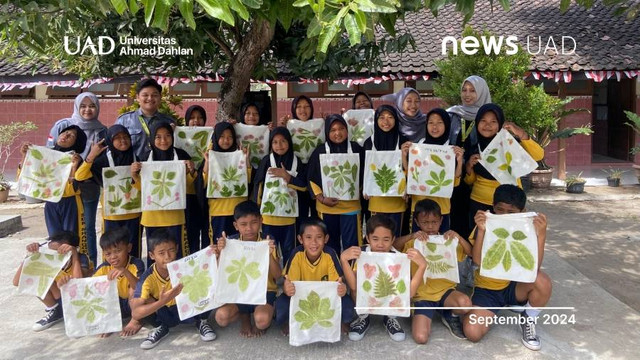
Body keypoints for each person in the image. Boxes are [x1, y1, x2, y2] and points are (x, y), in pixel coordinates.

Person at [463, 185, 552, 351]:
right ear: (493, 207)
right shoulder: (485, 224)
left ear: (522, 211)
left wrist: (542, 234)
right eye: (500, 210)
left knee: (543, 281)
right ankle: (490, 311)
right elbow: (477, 260)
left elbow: (534, 267)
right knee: (472, 332)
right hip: (487, 290)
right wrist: (482, 231)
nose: (504, 215)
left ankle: (528, 318)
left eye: (511, 212)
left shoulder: (528, 228)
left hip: (514, 286)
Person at [393, 199, 473, 343]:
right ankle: (424, 310)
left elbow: (470, 252)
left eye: (434, 222)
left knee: (465, 304)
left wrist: (459, 238)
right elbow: (393, 246)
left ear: (441, 220)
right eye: (425, 222)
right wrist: (411, 236)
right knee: (420, 338)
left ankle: (449, 314)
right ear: (417, 222)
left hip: (446, 291)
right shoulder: (413, 242)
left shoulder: (447, 240)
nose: (430, 226)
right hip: (421, 296)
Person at [340, 214, 427, 342]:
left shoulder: (398, 257)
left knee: (400, 287)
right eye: (375, 239)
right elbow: (353, 287)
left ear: (393, 240)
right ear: (368, 238)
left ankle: (390, 317)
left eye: (386, 239)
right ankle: (363, 317)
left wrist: (422, 266)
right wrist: (343, 259)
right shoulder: (362, 254)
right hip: (368, 296)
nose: (380, 244)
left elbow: (409, 293)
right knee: (357, 281)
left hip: (389, 298)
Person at [47, 92, 107, 267]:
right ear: (77, 107)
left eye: (92, 106)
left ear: (97, 108)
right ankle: (62, 266)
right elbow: (49, 155)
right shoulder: (64, 125)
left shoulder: (103, 130)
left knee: (87, 228)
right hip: (62, 191)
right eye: (83, 106)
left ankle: (89, 265)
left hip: (89, 187)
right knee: (62, 230)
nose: (87, 109)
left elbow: (103, 161)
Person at [132, 229, 216, 350]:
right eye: (161, 253)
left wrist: (214, 254)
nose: (167, 257)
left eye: (171, 250)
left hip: (190, 308)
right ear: (151, 255)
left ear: (177, 248)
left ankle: (202, 321)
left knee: (207, 282)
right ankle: (160, 327)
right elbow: (135, 312)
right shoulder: (147, 278)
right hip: (166, 312)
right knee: (141, 301)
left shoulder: (186, 264)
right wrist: (161, 302)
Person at [464, 104, 543, 231]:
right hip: (480, 202)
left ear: (500, 123)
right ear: (477, 122)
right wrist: (468, 166)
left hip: (510, 204)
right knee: (480, 243)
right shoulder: (472, 145)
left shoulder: (509, 143)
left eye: (493, 121)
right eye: (483, 121)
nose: (487, 125)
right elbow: (470, 181)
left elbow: (538, 155)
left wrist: (520, 133)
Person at [274, 218, 354, 334]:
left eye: (319, 237)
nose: (314, 242)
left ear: (326, 239)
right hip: (301, 297)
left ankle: (340, 322)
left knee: (347, 308)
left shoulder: (330, 254)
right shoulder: (297, 254)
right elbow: (288, 282)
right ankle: (288, 322)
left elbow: (338, 282)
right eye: (308, 237)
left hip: (325, 298)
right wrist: (287, 289)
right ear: (300, 239)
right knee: (281, 308)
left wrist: (342, 288)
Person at [131, 122, 195, 266]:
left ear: (172, 137)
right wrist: (135, 176)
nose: (163, 140)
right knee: (156, 256)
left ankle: (179, 284)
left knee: (177, 255)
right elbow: (144, 188)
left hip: (175, 216)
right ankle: (156, 285)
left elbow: (185, 186)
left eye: (167, 136)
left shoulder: (181, 155)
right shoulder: (144, 157)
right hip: (152, 218)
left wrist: (191, 172)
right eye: (158, 137)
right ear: (152, 138)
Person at [214, 201, 281, 338]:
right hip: (239, 292)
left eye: (254, 222)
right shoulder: (230, 242)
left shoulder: (267, 241)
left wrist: (269, 255)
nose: (249, 228)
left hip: (264, 291)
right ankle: (244, 316)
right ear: (235, 225)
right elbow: (218, 273)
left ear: (261, 221)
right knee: (221, 318)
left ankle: (268, 309)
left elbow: (277, 276)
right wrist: (220, 253)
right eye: (243, 224)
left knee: (261, 321)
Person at [75, 125, 143, 258]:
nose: (123, 140)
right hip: (111, 217)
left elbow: (144, 187)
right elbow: (79, 176)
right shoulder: (103, 161)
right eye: (117, 138)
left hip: (134, 215)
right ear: (110, 141)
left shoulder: (137, 159)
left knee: (133, 253)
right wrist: (92, 155)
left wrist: (136, 176)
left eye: (125, 137)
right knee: (111, 253)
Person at [20, 126, 88, 254]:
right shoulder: (45, 154)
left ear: (76, 143)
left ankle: (76, 267)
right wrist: (25, 155)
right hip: (51, 204)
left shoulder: (76, 159)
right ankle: (59, 269)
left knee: (72, 239)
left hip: (70, 203)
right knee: (55, 239)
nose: (66, 136)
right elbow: (27, 175)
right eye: (65, 132)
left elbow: (74, 187)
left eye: (71, 136)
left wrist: (73, 167)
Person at [307, 114, 365, 254]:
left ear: (347, 130)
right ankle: (334, 274)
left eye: (341, 128)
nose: (337, 133)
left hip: (351, 207)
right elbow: (311, 178)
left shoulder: (357, 149)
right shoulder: (319, 151)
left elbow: (366, 174)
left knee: (352, 245)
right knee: (329, 245)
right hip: (326, 208)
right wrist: (321, 198)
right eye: (332, 130)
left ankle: (351, 274)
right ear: (327, 133)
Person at [13, 231, 93, 332]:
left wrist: (74, 255)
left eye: (59, 252)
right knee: (39, 275)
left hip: (78, 299)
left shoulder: (81, 258)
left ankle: (62, 311)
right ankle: (56, 310)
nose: (54, 255)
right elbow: (17, 282)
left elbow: (78, 283)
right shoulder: (47, 256)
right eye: (52, 250)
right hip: (59, 296)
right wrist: (29, 257)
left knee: (54, 278)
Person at [401, 108, 464, 234]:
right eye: (431, 122)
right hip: (419, 209)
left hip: (442, 209)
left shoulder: (450, 149)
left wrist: (460, 161)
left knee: (439, 247)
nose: (435, 127)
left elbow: (455, 183)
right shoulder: (418, 146)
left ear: (446, 125)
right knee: (418, 244)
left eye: (439, 123)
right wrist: (403, 155)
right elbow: (410, 175)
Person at [252, 127, 307, 265]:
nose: (279, 145)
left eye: (283, 141)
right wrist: (257, 211)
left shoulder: (296, 162)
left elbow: (304, 186)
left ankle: (289, 277)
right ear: (270, 144)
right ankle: (270, 280)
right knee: (269, 250)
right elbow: (258, 186)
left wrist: (288, 177)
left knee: (290, 250)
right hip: (268, 218)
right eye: (275, 142)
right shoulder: (266, 161)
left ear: (289, 142)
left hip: (290, 220)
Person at [447, 75, 492, 240]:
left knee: (474, 223)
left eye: (473, 91)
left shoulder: (489, 117)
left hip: (478, 179)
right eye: (464, 90)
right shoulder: (452, 115)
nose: (467, 94)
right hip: (453, 178)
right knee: (453, 219)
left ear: (481, 92)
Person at [92, 227, 145, 337]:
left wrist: (125, 271)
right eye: (108, 254)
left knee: (133, 290)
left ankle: (136, 321)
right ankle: (109, 322)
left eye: (118, 251)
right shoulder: (103, 268)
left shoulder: (136, 264)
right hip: (116, 305)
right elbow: (90, 289)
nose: (113, 257)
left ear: (129, 248)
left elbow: (140, 288)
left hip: (133, 303)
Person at [362, 105, 407, 236]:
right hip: (377, 202)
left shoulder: (403, 141)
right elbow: (365, 169)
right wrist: (366, 187)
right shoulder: (369, 143)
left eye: (390, 117)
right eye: (381, 118)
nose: (386, 121)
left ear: (396, 120)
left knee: (395, 239)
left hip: (397, 202)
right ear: (376, 120)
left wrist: (407, 189)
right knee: (377, 238)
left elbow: (409, 169)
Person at [202, 122, 250, 241]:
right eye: (222, 137)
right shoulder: (210, 156)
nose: (226, 140)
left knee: (239, 247)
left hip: (239, 210)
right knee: (219, 247)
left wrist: (246, 159)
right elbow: (203, 183)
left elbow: (248, 180)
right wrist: (207, 162)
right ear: (216, 138)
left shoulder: (239, 155)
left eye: (230, 137)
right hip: (218, 211)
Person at [116, 78, 176, 159]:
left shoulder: (168, 121)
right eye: (145, 95)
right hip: (133, 168)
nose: (150, 98)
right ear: (137, 97)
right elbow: (114, 148)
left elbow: (175, 147)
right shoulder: (124, 120)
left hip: (159, 168)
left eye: (154, 95)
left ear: (160, 97)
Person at [183, 105, 211, 253]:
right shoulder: (180, 139)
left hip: (206, 194)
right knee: (191, 234)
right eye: (192, 118)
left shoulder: (210, 139)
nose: (196, 121)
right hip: (188, 195)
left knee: (207, 232)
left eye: (200, 118)